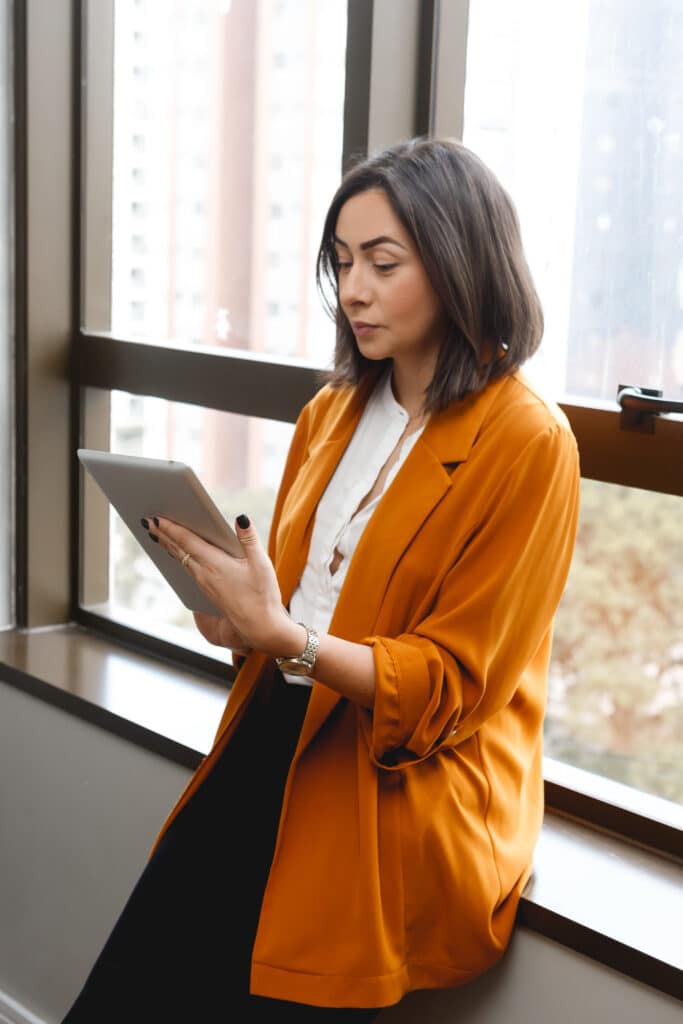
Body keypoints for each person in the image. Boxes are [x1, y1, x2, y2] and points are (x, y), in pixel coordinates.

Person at [62, 138, 580, 1022]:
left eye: (384, 262)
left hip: (396, 770)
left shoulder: (528, 443)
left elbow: (453, 685)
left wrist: (287, 639)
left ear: (461, 263)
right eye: (341, 263)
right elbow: (298, 601)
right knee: (136, 977)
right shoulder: (333, 410)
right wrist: (238, 625)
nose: (354, 290)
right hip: (279, 719)